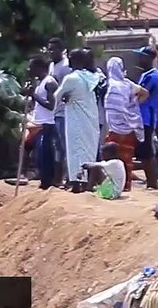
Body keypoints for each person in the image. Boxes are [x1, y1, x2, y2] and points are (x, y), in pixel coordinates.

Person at [56, 47, 102, 192]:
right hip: (91, 118)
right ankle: (87, 183)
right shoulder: (93, 77)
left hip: (76, 119)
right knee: (88, 149)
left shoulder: (72, 78)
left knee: (75, 149)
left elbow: (55, 97)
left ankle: (76, 183)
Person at [103, 57, 146, 192]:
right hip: (128, 127)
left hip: (114, 128)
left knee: (112, 159)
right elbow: (145, 93)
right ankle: (126, 186)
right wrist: (132, 107)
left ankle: (115, 186)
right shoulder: (128, 84)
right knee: (127, 159)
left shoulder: (107, 84)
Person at [27, 57, 60, 190]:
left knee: (45, 154)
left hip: (47, 124)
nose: (29, 70)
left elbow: (51, 105)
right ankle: (44, 180)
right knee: (38, 155)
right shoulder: (39, 82)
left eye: (31, 67)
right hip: (38, 123)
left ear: (38, 67)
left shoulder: (49, 83)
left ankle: (48, 182)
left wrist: (34, 95)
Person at [136, 46, 158, 189]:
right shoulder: (146, 74)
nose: (139, 59)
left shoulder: (152, 76)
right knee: (143, 151)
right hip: (143, 117)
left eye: (141, 56)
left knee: (147, 151)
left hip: (148, 117)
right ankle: (150, 181)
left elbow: (140, 94)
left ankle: (153, 182)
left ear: (149, 58)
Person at [48, 37, 71, 183]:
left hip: (63, 111)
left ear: (61, 50)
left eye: (53, 49)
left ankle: (68, 177)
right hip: (53, 111)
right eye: (49, 49)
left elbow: (67, 90)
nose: (50, 52)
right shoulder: (52, 65)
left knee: (64, 145)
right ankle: (58, 178)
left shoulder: (66, 66)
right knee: (57, 145)